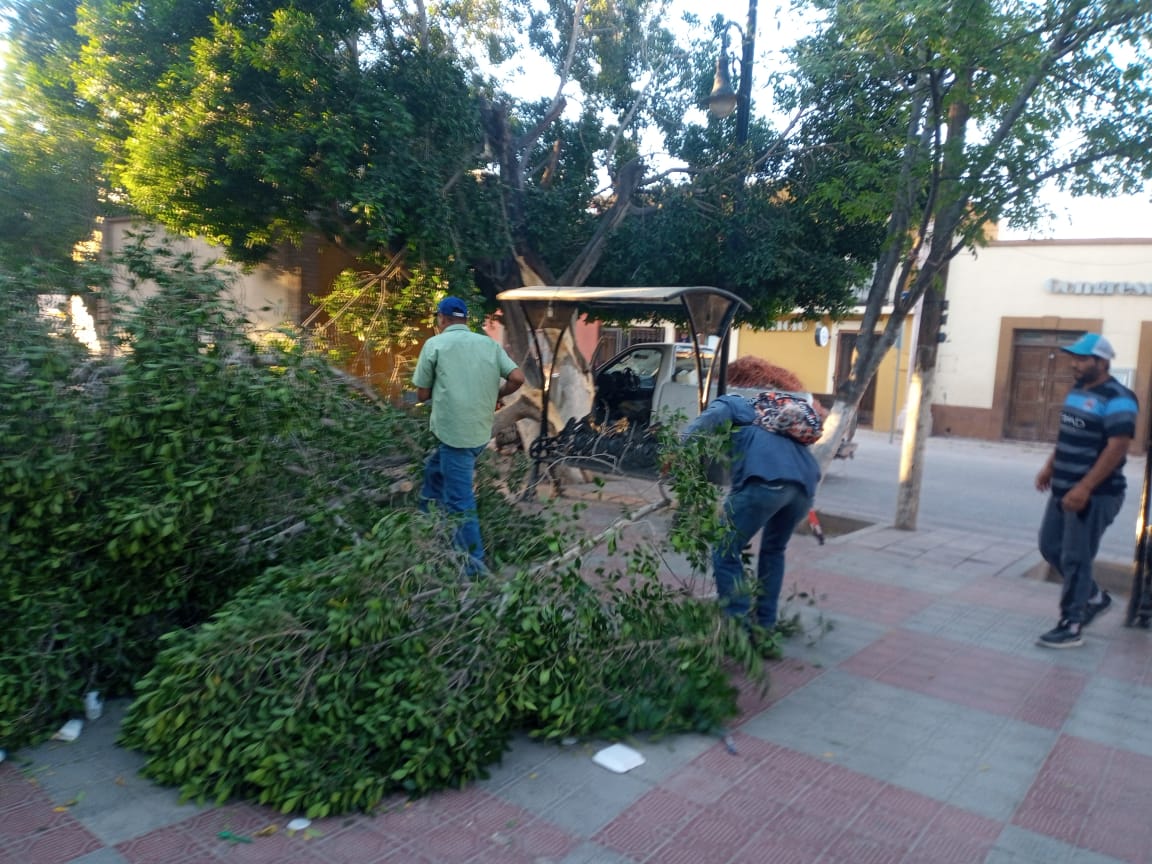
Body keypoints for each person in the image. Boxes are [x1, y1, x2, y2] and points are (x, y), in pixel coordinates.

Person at [679, 392, 821, 636]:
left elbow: (703, 424)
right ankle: (765, 626)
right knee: (774, 550)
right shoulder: (774, 415)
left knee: (725, 548)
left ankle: (738, 626)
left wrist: (675, 449)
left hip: (766, 481)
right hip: (803, 488)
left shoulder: (734, 403)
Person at [1035, 333, 1138, 648]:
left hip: (1095, 494)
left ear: (1102, 362)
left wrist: (1085, 487)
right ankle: (1093, 597)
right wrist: (1050, 467)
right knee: (1050, 545)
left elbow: (1117, 447)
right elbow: (1066, 434)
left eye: (1081, 359)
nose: (1074, 364)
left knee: (1076, 557)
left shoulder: (1119, 397)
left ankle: (1072, 624)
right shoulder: (1077, 390)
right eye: (1074, 358)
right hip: (1064, 490)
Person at [412, 296, 524, 574]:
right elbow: (518, 379)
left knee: (460, 504)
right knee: (434, 471)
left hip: (454, 434)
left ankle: (475, 572)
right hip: (478, 433)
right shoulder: (488, 344)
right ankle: (424, 527)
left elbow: (422, 394)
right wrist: (496, 394)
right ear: (464, 319)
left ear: (442, 319)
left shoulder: (435, 344)